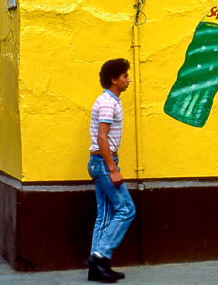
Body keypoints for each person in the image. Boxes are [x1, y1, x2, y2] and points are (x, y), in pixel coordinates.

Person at [86, 58, 135, 282]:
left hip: (100, 163)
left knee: (104, 215)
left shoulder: (111, 100)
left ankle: (97, 268)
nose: (128, 80)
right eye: (125, 76)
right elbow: (102, 137)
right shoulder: (108, 102)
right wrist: (113, 169)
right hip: (104, 164)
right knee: (126, 209)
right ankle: (99, 256)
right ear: (114, 79)